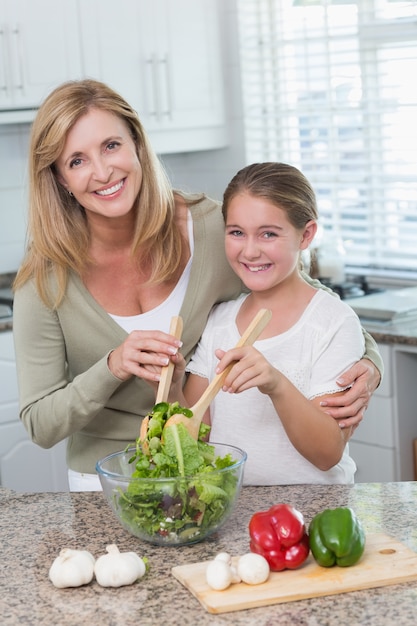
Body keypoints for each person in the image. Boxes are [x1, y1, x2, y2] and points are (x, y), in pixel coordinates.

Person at [12, 79, 381, 491]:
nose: (102, 172)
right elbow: (41, 424)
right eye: (76, 161)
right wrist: (113, 366)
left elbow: (297, 290)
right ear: (60, 178)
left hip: (208, 476)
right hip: (107, 481)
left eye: (111, 146)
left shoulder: (211, 227)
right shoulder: (45, 280)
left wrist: (370, 357)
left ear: (137, 143)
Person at [170, 162, 369, 485]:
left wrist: (275, 384)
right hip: (233, 513)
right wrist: (170, 384)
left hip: (313, 517)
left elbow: (327, 453)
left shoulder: (332, 322)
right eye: (236, 232)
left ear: (306, 235)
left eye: (268, 234)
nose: (250, 251)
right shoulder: (219, 320)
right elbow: (197, 439)